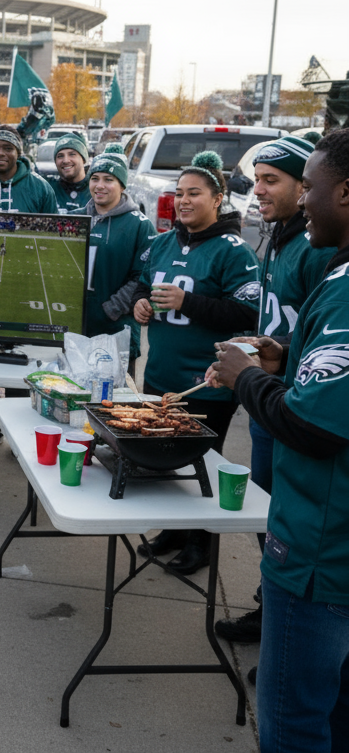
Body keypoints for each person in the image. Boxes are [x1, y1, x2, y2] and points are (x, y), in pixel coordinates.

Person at [205, 127, 349, 753]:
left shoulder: (340, 284)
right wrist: (285, 357)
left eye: (309, 186)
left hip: (322, 553)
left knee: (294, 727)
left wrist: (244, 379)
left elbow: (316, 424)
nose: (305, 201)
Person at [212, 134, 334, 648]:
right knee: (269, 517)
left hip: (294, 407)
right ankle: (271, 613)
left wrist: (270, 365)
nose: (259, 190)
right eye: (256, 179)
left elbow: (321, 336)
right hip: (269, 398)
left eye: (273, 180)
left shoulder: (314, 247)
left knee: (284, 522)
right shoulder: (279, 237)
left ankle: (286, 628)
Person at [130, 151, 259, 575]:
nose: (183, 200)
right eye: (179, 193)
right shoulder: (162, 242)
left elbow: (247, 315)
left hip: (207, 380)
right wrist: (142, 305)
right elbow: (141, 289)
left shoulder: (234, 250)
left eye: (194, 193)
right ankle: (173, 531)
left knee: (202, 460)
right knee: (166, 458)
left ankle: (201, 542)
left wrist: (190, 302)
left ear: (218, 197)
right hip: (161, 374)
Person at [82, 147, 155, 375]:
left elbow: (143, 277)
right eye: (95, 179)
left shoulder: (140, 226)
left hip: (115, 330)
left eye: (108, 179)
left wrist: (111, 309)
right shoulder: (76, 217)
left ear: (122, 185)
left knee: (114, 403)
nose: (100, 185)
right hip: (77, 328)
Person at [47, 132, 91, 213]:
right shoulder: (48, 190)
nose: (66, 160)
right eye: (60, 156)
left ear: (83, 159)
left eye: (72, 154)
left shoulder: (96, 189)